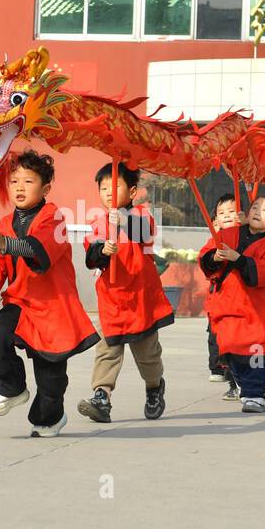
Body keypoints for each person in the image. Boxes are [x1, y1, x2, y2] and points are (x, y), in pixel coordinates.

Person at [0, 150, 99, 437]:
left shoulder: (54, 218)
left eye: (28, 181)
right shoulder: (4, 224)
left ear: (45, 188)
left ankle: (50, 419)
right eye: (14, 180)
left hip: (54, 307)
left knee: (51, 377)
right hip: (21, 302)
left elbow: (39, 252)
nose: (19, 187)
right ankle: (12, 386)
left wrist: (5, 244)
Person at [77, 163, 173, 424]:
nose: (108, 192)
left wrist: (124, 219)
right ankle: (102, 396)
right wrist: (101, 252)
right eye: (103, 187)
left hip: (140, 299)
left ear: (132, 191)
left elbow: (143, 234)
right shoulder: (98, 222)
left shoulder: (143, 215)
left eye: (114, 186)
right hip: (112, 300)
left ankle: (154, 388)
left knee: (147, 354)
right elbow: (91, 256)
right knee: (107, 350)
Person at [199, 196, 265, 413]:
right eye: (255, 206)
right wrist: (214, 257)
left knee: (255, 354)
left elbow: (263, 273)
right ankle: (244, 384)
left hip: (254, 311)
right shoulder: (227, 234)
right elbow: (205, 261)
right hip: (227, 308)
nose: (258, 211)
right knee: (230, 352)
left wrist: (238, 259)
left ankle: (254, 394)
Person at [205, 194, 240, 394]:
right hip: (220, 303)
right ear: (215, 220)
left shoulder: (247, 237)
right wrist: (214, 256)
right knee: (217, 339)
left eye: (231, 211)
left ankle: (239, 382)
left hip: (243, 304)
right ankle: (223, 372)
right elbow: (205, 262)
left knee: (238, 343)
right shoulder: (214, 241)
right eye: (221, 213)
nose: (226, 215)